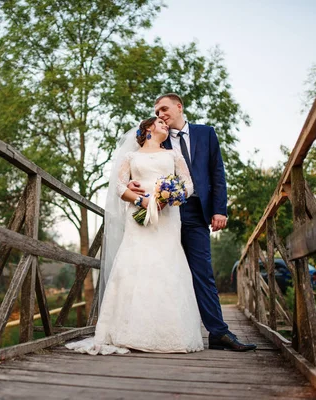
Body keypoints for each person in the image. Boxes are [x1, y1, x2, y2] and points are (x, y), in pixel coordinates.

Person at [128, 93, 256, 351]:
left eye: (164, 109)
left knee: (202, 272)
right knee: (160, 270)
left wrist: (220, 209)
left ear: (179, 106)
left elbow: (216, 172)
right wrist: (133, 183)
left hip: (197, 212)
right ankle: (153, 330)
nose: (160, 115)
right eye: (156, 112)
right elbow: (141, 164)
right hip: (163, 214)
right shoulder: (157, 138)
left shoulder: (206, 133)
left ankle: (218, 332)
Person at [66, 117, 204, 355]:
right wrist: (142, 199)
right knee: (136, 264)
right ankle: (128, 331)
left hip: (167, 217)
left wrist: (167, 198)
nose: (165, 124)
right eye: (160, 122)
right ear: (148, 128)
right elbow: (120, 187)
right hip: (138, 215)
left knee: (166, 265)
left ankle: (169, 332)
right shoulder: (132, 157)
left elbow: (188, 185)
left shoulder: (173, 155)